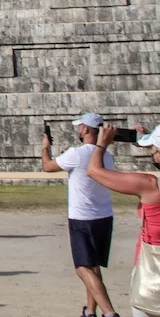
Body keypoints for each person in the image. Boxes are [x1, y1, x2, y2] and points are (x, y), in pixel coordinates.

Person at [42, 113, 119, 317]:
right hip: (104, 216)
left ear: (85, 130)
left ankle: (110, 313)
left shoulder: (76, 153)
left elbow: (47, 166)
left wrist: (45, 147)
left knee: (82, 268)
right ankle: (90, 311)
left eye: (80, 127)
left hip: (82, 218)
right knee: (93, 268)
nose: (78, 130)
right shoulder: (107, 156)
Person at [89, 124, 160, 317]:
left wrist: (101, 144)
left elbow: (94, 171)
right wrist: (149, 139)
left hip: (152, 272)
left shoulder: (150, 186)